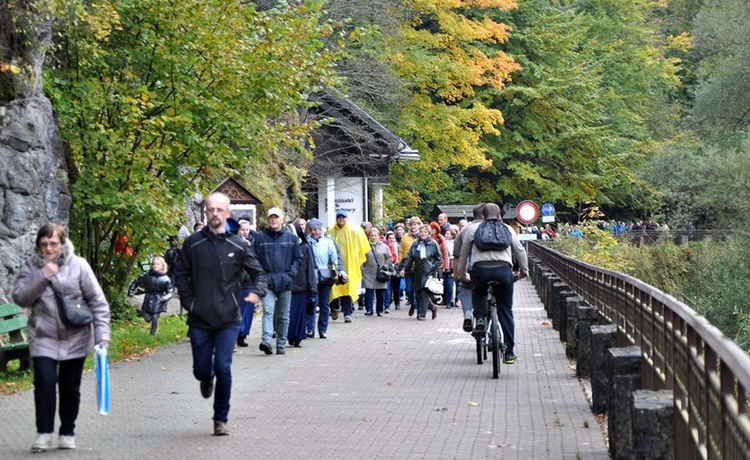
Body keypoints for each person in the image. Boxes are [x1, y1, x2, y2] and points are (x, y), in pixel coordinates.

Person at [174, 192, 267, 436]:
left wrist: (257, 292)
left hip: (228, 318)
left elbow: (258, 273)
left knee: (224, 367)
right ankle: (206, 378)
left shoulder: (238, 244)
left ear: (228, 214)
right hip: (200, 318)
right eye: (210, 209)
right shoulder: (193, 243)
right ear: (205, 213)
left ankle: (220, 418)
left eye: (219, 210)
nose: (215, 213)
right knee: (202, 370)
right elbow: (180, 274)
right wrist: (189, 302)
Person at [12, 223, 111, 452]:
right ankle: (44, 433)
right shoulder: (31, 266)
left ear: (62, 243)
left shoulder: (79, 266)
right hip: (44, 336)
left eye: (53, 243)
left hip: (76, 336)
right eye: (44, 244)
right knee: (44, 382)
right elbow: (20, 297)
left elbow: (98, 302)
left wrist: (102, 336)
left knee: (70, 386)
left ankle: (67, 431)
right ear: (38, 245)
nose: (48, 248)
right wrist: (42, 276)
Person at [457, 203, 528, 364]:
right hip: (503, 271)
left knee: (478, 290)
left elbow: (463, 255)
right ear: (499, 217)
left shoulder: (473, 230)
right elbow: (520, 250)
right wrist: (524, 271)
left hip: (480, 271)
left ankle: (481, 318)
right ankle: (509, 352)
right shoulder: (507, 229)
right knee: (506, 310)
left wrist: (463, 275)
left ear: (482, 217)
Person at [252, 207, 303, 355]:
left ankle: (281, 343)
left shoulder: (291, 238)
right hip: (268, 281)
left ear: (282, 220)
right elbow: (253, 259)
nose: (273, 220)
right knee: (268, 311)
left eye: (276, 217)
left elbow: (298, 258)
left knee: (283, 315)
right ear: (268, 220)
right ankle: (267, 341)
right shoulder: (260, 238)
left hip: (285, 281)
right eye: (271, 217)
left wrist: (290, 274)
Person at [327, 210, 370, 323]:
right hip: (335, 264)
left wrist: (359, 261)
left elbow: (363, 246)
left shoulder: (355, 230)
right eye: (339, 217)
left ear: (347, 218)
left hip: (350, 263)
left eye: (343, 217)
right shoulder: (331, 230)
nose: (341, 219)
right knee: (334, 287)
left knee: (348, 288)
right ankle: (335, 308)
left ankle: (347, 312)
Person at [306, 218, 345, 338]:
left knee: (324, 304)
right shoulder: (306, 242)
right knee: (312, 303)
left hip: (325, 276)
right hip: (311, 277)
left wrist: (341, 271)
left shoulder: (328, 241)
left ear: (320, 229)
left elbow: (336, 257)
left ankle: (322, 330)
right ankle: (310, 329)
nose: (313, 232)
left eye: (316, 229)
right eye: (311, 230)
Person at [399, 224, 442, 321]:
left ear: (429, 233)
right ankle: (432, 307)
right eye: (421, 232)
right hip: (418, 270)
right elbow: (409, 257)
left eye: (425, 232)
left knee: (424, 292)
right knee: (418, 292)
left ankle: (422, 314)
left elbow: (439, 258)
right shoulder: (415, 244)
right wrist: (404, 268)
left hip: (429, 271)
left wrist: (433, 267)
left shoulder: (433, 243)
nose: (423, 234)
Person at [453, 203, 485, 332]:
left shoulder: (465, 230)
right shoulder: (496, 228)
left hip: (470, 269)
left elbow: (457, 256)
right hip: (495, 270)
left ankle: (467, 313)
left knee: (466, 288)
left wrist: (458, 274)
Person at [127, 255, 174, 336]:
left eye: (158, 264)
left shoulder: (166, 279)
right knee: (147, 317)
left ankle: (152, 334)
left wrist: (165, 298)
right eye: (154, 264)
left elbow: (170, 291)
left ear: (162, 266)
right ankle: (149, 320)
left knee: (155, 318)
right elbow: (136, 281)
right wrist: (131, 291)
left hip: (159, 300)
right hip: (148, 298)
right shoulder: (147, 276)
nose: (155, 266)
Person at [288, 223, 317, 347]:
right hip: (288, 285)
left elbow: (310, 268)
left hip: (302, 285)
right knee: (290, 314)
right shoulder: (286, 247)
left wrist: (312, 287)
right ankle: (290, 335)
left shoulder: (305, 247)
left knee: (300, 315)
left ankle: (298, 336)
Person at [362, 227, 393, 317]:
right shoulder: (365, 246)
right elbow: (360, 258)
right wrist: (362, 268)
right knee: (369, 291)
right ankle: (369, 309)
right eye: (372, 235)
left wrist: (385, 266)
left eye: (375, 235)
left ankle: (379, 310)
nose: (373, 237)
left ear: (379, 236)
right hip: (368, 272)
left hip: (380, 272)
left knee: (380, 292)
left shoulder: (384, 247)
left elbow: (389, 258)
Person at [236, 219, 256, 348]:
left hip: (249, 281)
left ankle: (243, 335)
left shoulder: (254, 243)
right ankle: (236, 334)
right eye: (242, 229)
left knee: (248, 310)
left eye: (247, 229)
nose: (245, 232)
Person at [398, 216, 422, 310]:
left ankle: (420, 311)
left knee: (418, 290)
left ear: (419, 225)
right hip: (407, 266)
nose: (413, 227)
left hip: (419, 266)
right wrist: (400, 262)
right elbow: (401, 250)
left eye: (415, 225)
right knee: (409, 290)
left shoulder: (421, 236)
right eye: (411, 225)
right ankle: (413, 303)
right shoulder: (405, 236)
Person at [385, 231, 402, 310]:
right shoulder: (385, 247)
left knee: (396, 288)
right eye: (390, 238)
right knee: (388, 287)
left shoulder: (399, 246)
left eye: (393, 238)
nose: (391, 240)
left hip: (397, 268)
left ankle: (397, 303)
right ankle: (387, 304)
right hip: (388, 269)